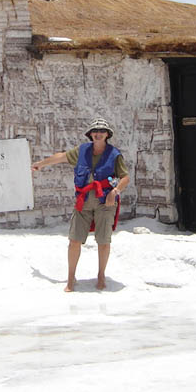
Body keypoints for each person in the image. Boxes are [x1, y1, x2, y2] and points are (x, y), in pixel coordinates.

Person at [31, 118, 130, 291]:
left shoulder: (114, 155)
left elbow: (125, 177)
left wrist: (115, 192)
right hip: (83, 200)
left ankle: (101, 275)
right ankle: (71, 278)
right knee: (74, 240)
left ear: (107, 135)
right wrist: (41, 164)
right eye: (95, 131)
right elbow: (61, 157)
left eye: (101, 131)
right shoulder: (82, 151)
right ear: (91, 134)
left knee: (103, 241)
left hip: (105, 201)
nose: (98, 134)